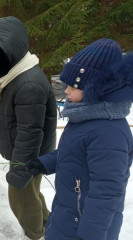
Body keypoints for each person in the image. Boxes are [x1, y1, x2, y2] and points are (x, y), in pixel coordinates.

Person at [26, 38, 133, 240]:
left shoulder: (109, 132)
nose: (66, 91)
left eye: (72, 87)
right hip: (68, 215)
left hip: (85, 228)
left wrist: (89, 235)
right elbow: (74, 153)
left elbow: (107, 193)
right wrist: (43, 163)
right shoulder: (86, 117)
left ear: (96, 89)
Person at [0, 16, 57, 239]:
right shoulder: (12, 77)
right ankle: (48, 225)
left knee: (22, 201)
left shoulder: (28, 83)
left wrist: (20, 169)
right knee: (31, 197)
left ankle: (34, 235)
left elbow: (30, 132)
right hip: (23, 156)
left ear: (9, 51)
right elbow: (4, 118)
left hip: (29, 157)